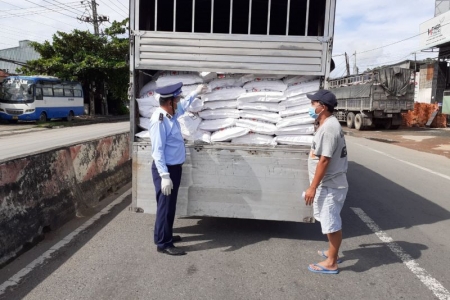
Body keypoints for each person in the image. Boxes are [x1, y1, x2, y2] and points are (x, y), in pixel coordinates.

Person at [149, 82, 207, 256]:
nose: (178, 103)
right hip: (166, 170)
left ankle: (165, 235)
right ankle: (163, 244)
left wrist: (196, 92)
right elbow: (157, 151)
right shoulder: (159, 121)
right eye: (176, 100)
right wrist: (164, 175)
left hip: (174, 168)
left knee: (170, 206)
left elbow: (183, 106)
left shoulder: (170, 115)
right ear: (169, 103)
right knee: (165, 207)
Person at [304, 89, 348, 274]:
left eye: (314, 103)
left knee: (331, 223)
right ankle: (332, 252)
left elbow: (324, 160)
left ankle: (331, 262)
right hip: (329, 184)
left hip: (331, 185)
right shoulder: (326, 124)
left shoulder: (329, 128)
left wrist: (312, 187)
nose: (311, 106)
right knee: (327, 221)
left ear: (323, 107)